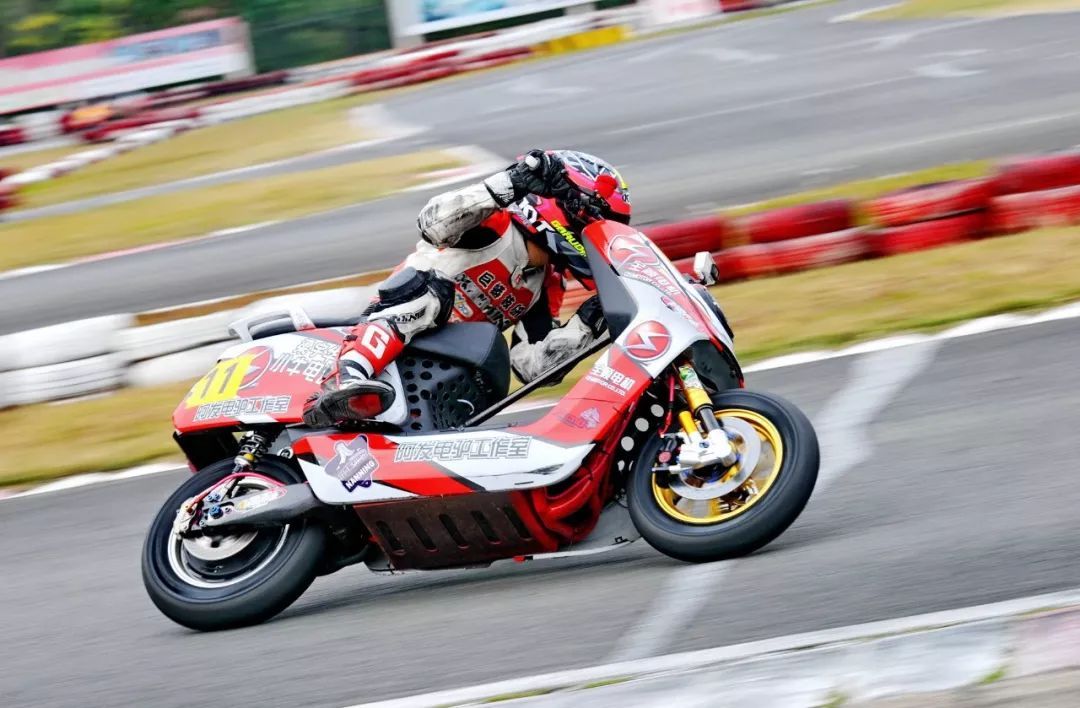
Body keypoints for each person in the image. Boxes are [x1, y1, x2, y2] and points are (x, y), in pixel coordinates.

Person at [302, 149, 633, 428]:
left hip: (439, 370)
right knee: (432, 292)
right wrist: (514, 181)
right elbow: (431, 222)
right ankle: (346, 377)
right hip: (392, 326)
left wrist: (587, 323)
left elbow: (531, 368)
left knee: (494, 363)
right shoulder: (496, 221)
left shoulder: (548, 284)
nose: (593, 232)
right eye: (590, 218)